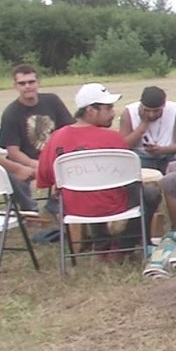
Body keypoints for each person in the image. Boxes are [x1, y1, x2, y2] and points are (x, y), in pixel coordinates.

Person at [36, 83, 159, 260]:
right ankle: (124, 245)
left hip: (72, 207)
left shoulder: (57, 138)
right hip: (113, 205)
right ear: (90, 111)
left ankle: (102, 244)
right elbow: (131, 177)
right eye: (108, 108)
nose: (113, 112)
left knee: (91, 194)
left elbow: (45, 178)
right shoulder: (113, 139)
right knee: (149, 193)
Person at [0, 63, 73, 213]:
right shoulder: (11, 113)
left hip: (56, 157)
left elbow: (69, 131)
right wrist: (36, 165)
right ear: (15, 86)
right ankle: (30, 210)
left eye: (31, 82)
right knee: (12, 174)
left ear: (38, 83)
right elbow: (13, 152)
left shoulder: (53, 101)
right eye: (22, 83)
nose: (27, 86)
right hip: (27, 160)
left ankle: (57, 203)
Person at [119, 86, 176, 173]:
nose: (151, 115)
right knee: (127, 159)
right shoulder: (129, 112)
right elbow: (124, 145)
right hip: (141, 156)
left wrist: (163, 150)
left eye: (156, 111)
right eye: (147, 110)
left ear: (163, 106)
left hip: (168, 155)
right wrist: (143, 124)